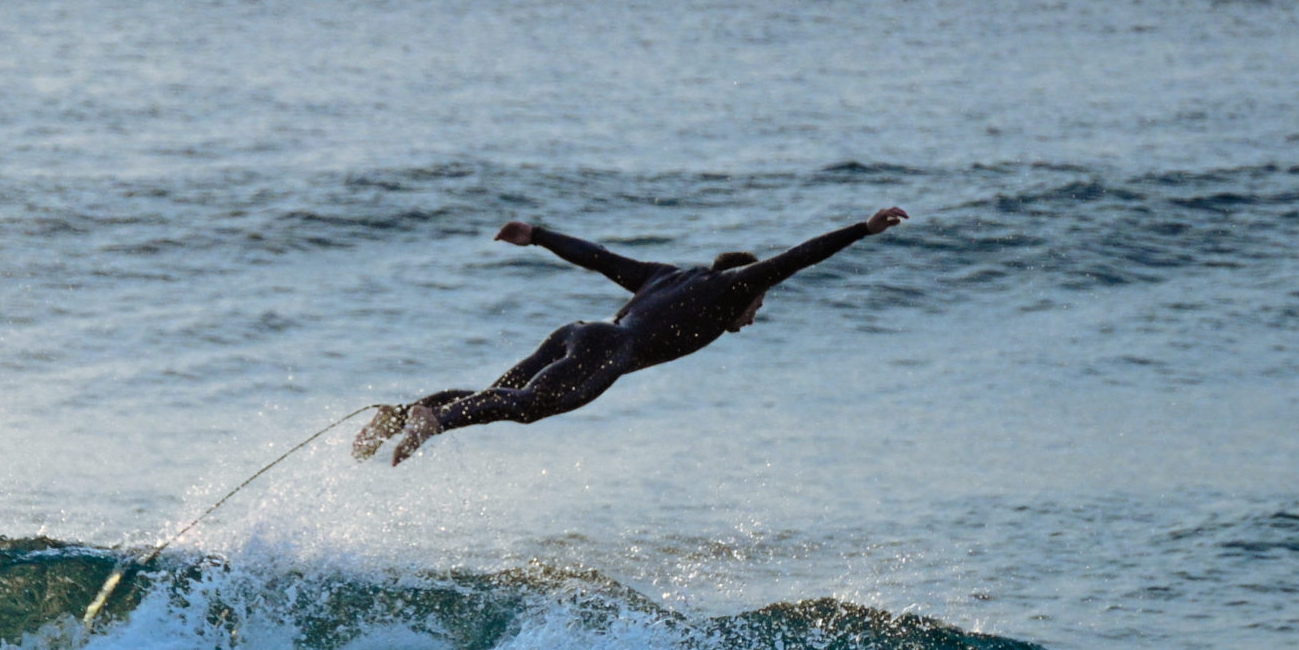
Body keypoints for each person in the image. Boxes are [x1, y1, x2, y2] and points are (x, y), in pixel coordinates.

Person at [359, 207, 910, 465]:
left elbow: (600, 258)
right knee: (529, 406)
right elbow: (799, 256)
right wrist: (862, 230)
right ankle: (435, 421)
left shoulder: (665, 276)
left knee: (501, 393)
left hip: (578, 332)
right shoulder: (730, 287)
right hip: (610, 349)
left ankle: (400, 415)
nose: (752, 318)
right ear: (750, 287)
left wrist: (538, 234)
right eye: (758, 306)